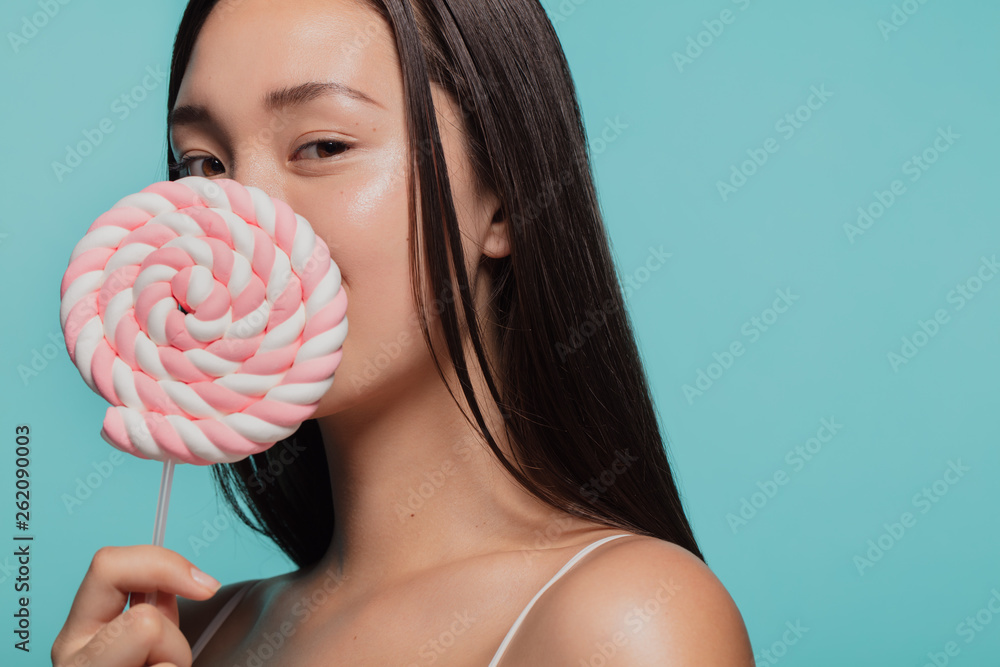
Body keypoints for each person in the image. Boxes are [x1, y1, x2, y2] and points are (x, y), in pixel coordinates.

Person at [52, 0, 755, 664]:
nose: (238, 215)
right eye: (204, 162)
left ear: (502, 197)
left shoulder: (624, 620)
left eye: (323, 145)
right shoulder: (188, 635)